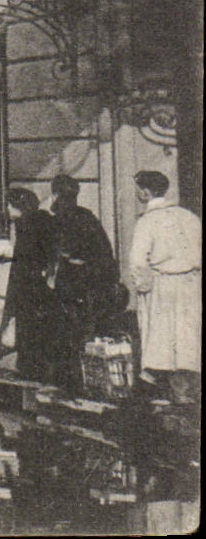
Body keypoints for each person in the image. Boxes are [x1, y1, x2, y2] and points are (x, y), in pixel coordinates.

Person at [127, 170, 201, 403]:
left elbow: (138, 262)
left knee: (163, 338)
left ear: (145, 191)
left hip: (164, 285)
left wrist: (143, 288)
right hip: (192, 282)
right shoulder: (189, 216)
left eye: (138, 188)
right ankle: (187, 390)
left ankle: (169, 391)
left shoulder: (147, 221)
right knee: (188, 335)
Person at [0, 187, 65, 384]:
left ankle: (29, 371)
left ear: (18, 206)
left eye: (9, 205)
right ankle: (41, 371)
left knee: (27, 327)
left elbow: (24, 258)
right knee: (40, 328)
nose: (7, 209)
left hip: (28, 285)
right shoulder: (44, 220)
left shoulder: (24, 225)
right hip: (43, 284)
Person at [50, 175, 118, 344]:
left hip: (69, 281)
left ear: (55, 194)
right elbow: (105, 251)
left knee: (67, 329)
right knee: (87, 329)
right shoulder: (88, 218)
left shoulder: (55, 219)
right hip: (93, 282)